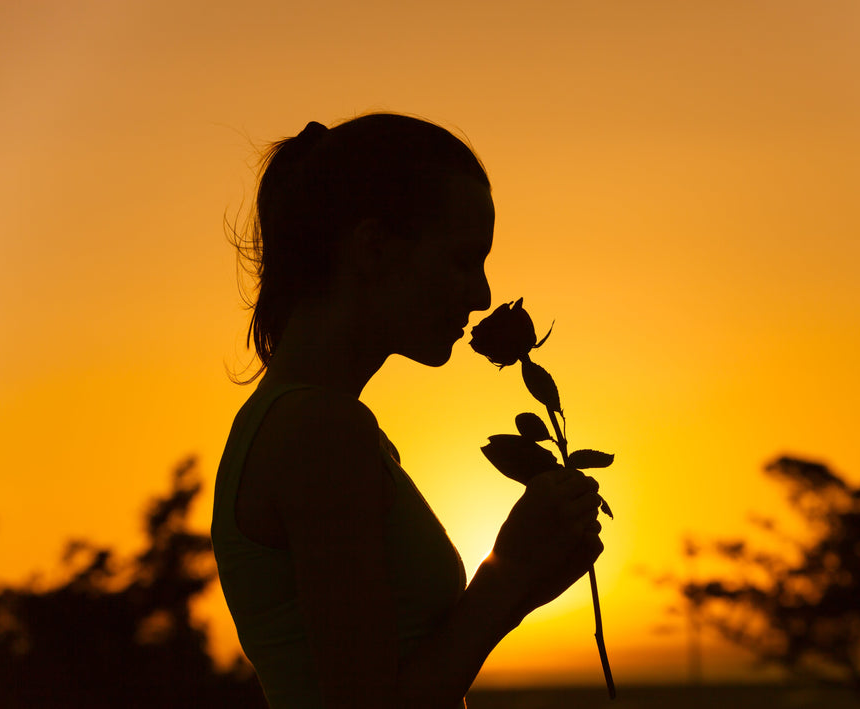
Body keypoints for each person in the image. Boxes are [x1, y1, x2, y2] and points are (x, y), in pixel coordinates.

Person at [211, 113, 604, 708]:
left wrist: (521, 582)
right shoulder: (321, 431)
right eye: (462, 259)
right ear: (373, 248)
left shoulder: (304, 421)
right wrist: (507, 583)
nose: (483, 295)